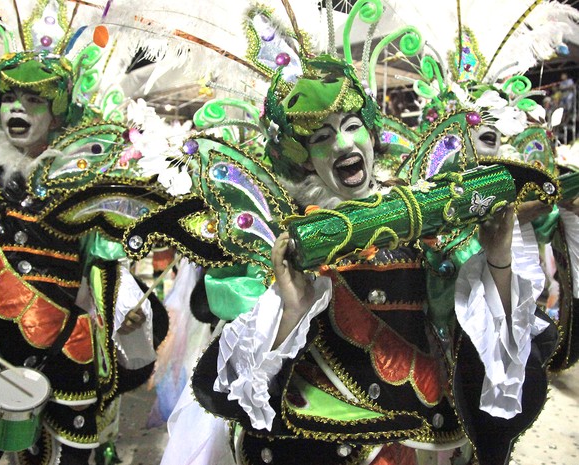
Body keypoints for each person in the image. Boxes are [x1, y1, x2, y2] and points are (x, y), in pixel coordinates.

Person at [191, 55, 557, 465]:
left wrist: (497, 257)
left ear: (370, 134)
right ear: (303, 158)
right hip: (330, 439)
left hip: (433, 437)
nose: (344, 144)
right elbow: (234, 381)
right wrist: (291, 308)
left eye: (352, 127)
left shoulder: (424, 209)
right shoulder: (287, 238)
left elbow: (489, 334)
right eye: (322, 137)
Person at [0, 50, 167, 465]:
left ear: (56, 116)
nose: (18, 107)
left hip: (65, 343)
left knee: (68, 456)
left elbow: (104, 257)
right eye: (10, 97)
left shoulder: (84, 180)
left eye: (35, 99)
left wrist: (123, 306)